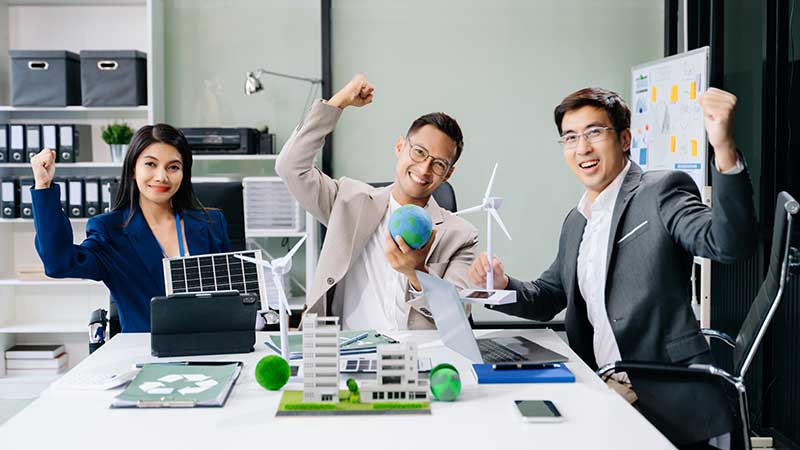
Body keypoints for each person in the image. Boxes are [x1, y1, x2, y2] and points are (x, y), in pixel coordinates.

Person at [467, 87, 756, 448]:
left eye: (594, 132)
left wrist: (723, 148)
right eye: (570, 137)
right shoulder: (577, 220)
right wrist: (501, 284)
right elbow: (548, 296)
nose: (582, 148)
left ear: (624, 139)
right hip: (604, 386)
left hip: (664, 393)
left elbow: (728, 244)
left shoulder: (661, 190)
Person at [276, 73, 478, 330]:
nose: (424, 168)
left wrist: (416, 273)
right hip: (348, 347)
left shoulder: (461, 236)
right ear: (400, 147)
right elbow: (290, 166)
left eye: (439, 164)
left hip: (419, 350)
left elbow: (456, 316)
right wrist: (339, 102)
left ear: (448, 174)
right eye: (419, 152)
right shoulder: (347, 202)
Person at [30, 124, 232, 333]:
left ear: (184, 173)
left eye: (173, 167)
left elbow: (232, 296)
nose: (161, 176)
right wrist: (43, 186)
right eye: (151, 164)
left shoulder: (211, 223)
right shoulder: (110, 230)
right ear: (133, 169)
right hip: (144, 348)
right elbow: (59, 264)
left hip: (210, 345)